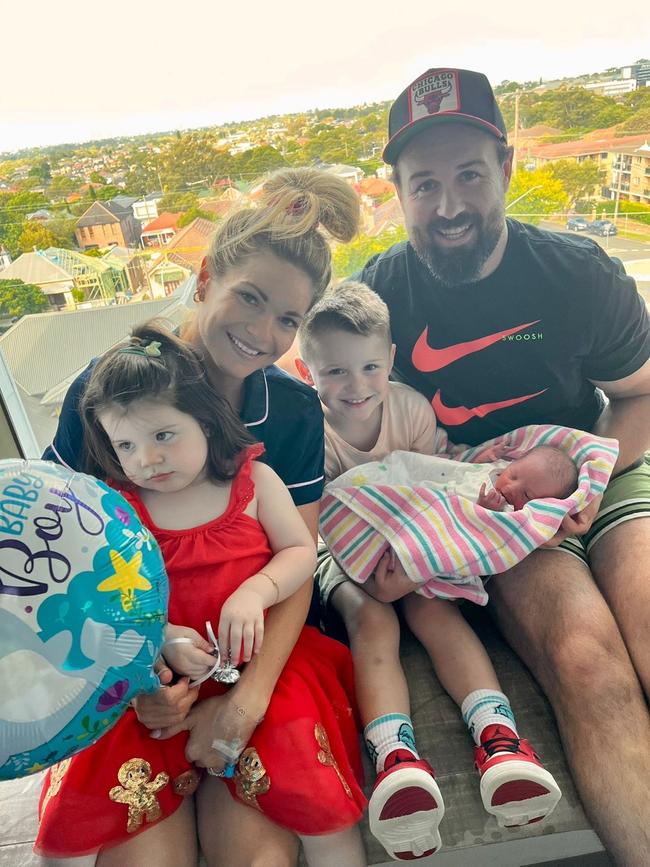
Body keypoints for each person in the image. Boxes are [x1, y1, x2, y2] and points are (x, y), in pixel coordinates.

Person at [353, 67, 650, 866]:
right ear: (399, 192)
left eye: (469, 176)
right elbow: (313, 401)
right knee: (587, 659)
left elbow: (641, 394)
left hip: (602, 467)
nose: (448, 205)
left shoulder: (579, 274)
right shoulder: (377, 298)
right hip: (488, 510)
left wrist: (592, 479)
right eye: (424, 184)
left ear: (508, 169)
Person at [40, 167, 362, 867]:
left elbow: (295, 565)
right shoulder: (108, 389)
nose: (262, 331)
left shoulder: (295, 410)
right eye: (250, 297)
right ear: (208, 276)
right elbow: (62, 559)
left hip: (257, 665)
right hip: (134, 676)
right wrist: (143, 666)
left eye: (288, 318)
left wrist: (242, 703)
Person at [297, 283, 564, 861]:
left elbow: (436, 490)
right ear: (306, 369)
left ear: (391, 359)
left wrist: (419, 564)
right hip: (341, 554)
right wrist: (375, 582)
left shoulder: (411, 408)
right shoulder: (308, 431)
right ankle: (396, 756)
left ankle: (501, 740)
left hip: (417, 549)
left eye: (370, 367)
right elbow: (321, 525)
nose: (356, 386)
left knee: (436, 613)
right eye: (335, 372)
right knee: (373, 620)